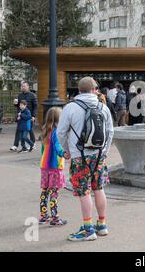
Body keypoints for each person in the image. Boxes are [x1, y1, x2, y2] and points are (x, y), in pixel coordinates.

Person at [57, 76, 114, 242]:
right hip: (99, 156)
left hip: (79, 157)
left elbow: (61, 133)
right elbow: (110, 132)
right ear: (94, 89)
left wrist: (65, 151)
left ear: (79, 90)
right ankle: (102, 224)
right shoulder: (103, 107)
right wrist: (104, 151)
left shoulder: (70, 107)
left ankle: (88, 229)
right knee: (99, 188)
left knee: (84, 191)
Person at [39, 107, 70, 226]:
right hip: (54, 166)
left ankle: (43, 216)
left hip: (45, 167)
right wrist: (64, 154)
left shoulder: (45, 131)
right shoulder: (56, 132)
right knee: (54, 192)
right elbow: (58, 147)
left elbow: (43, 150)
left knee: (45, 191)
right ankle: (55, 218)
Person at [10, 82, 38, 151]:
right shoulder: (19, 95)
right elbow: (18, 105)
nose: (23, 87)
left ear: (28, 87)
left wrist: (33, 116)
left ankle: (33, 143)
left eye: (24, 86)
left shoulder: (32, 95)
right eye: (22, 86)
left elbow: (35, 106)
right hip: (21, 115)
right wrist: (15, 104)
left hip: (29, 116)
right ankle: (15, 145)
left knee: (30, 130)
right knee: (18, 130)